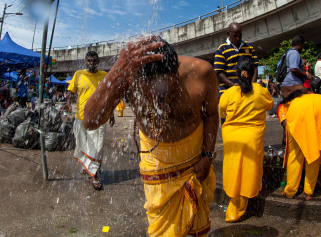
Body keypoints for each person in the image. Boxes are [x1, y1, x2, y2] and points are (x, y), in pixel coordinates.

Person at [84, 36, 218, 237]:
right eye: (150, 92)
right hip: (156, 165)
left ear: (175, 70)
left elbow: (212, 114)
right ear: (136, 79)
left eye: (164, 89)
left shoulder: (201, 72)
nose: (158, 96)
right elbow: (90, 120)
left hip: (194, 161)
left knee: (197, 226)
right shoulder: (129, 77)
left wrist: (208, 155)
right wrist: (117, 71)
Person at [219, 58, 273, 222]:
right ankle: (238, 208)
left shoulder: (228, 94)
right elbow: (269, 106)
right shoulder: (261, 91)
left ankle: (233, 206)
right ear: (253, 74)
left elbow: (222, 112)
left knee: (233, 168)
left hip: (231, 138)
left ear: (236, 74)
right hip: (251, 138)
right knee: (248, 170)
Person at [277, 89, 321, 200]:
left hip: (300, 115)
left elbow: (286, 125)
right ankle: (309, 192)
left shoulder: (282, 106)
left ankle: (290, 191)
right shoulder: (311, 96)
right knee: (313, 151)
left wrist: (286, 138)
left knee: (295, 155)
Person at [67, 51, 113, 191]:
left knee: (97, 147)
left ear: (98, 61)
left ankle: (94, 175)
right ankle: (87, 166)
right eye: (89, 61)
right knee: (83, 144)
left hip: (99, 119)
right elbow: (71, 91)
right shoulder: (78, 74)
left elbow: (109, 96)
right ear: (85, 62)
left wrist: (111, 113)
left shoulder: (104, 76)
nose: (91, 63)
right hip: (81, 117)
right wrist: (67, 102)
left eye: (94, 60)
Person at [214, 22, 259, 99]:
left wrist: (253, 84)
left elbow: (254, 67)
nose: (238, 38)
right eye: (234, 36)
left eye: (240, 35)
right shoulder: (222, 49)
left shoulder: (249, 47)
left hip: (248, 90)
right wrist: (234, 86)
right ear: (228, 34)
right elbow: (219, 72)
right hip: (227, 91)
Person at [280, 35, 312, 99]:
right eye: (303, 45)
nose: (303, 48)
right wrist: (306, 76)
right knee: (305, 101)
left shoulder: (289, 52)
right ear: (299, 44)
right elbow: (294, 69)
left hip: (288, 85)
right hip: (293, 84)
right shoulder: (294, 53)